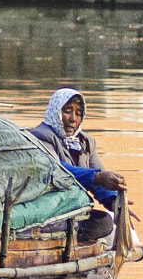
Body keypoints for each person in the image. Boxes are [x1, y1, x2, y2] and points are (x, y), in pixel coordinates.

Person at [28, 87, 126, 238]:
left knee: (114, 221)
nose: (73, 119)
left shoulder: (86, 141)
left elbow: (99, 175)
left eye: (78, 114)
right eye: (67, 111)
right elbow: (58, 171)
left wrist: (114, 202)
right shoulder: (41, 137)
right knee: (103, 223)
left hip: (75, 208)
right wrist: (97, 178)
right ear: (56, 111)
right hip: (51, 210)